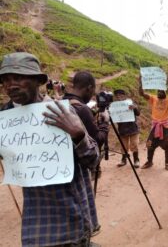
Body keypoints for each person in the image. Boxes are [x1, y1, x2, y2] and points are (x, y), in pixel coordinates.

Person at [0, 52, 99, 246]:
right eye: (5, 80)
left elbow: (93, 160)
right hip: (36, 220)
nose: (11, 85)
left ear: (38, 81)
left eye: (19, 77)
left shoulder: (61, 111)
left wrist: (78, 135)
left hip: (72, 214)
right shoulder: (5, 118)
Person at [62, 71, 110, 237]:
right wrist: (105, 124)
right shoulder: (82, 109)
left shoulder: (61, 102)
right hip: (79, 167)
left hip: (62, 166)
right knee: (83, 205)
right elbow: (97, 140)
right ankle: (87, 233)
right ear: (89, 88)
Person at [138, 75, 168, 170]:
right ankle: (149, 162)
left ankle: (167, 163)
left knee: (167, 145)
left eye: (161, 91)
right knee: (150, 144)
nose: (159, 92)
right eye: (158, 91)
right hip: (155, 126)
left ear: (165, 92)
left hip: (165, 126)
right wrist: (141, 82)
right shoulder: (153, 98)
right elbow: (141, 93)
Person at [113, 89, 141, 168]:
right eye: (117, 96)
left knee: (134, 145)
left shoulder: (130, 103)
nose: (119, 97)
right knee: (123, 146)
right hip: (122, 129)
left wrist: (134, 108)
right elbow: (113, 116)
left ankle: (136, 160)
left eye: (121, 95)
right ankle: (123, 160)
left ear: (124, 96)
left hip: (133, 129)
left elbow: (138, 113)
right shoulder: (115, 106)